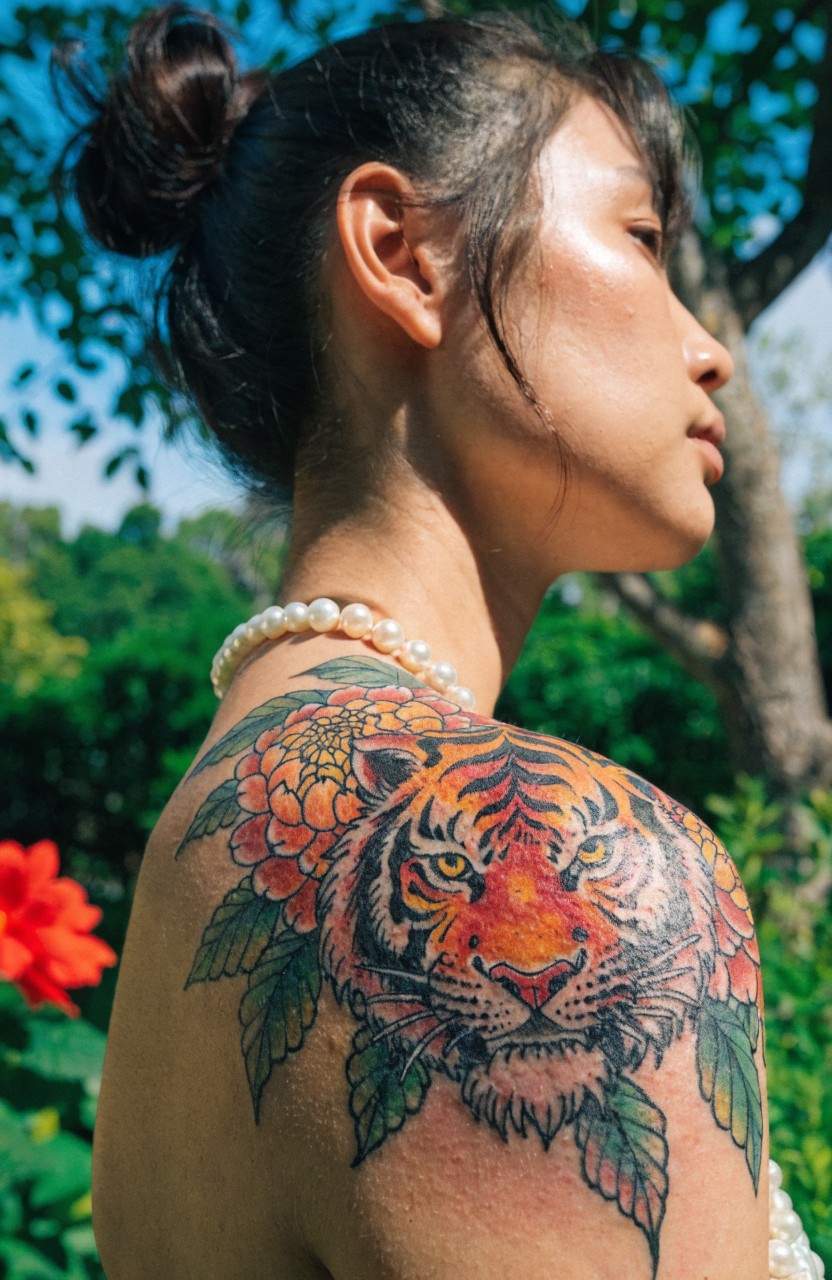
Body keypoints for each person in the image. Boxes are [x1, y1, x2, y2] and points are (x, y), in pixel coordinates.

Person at [55, 5, 823, 1278]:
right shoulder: (565, 855)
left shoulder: (196, 838)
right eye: (641, 240)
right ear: (402, 254)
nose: (712, 354)